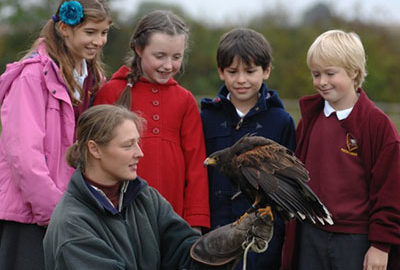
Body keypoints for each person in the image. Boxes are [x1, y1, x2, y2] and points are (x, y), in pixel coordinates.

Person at [43, 104, 274, 270]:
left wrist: (232, 239)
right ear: (94, 149)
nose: (139, 153)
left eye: (138, 142)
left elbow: (187, 254)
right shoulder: (71, 224)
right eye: (127, 146)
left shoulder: (145, 197)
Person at [0, 1, 111, 269]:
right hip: (29, 216)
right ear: (64, 28)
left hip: (69, 209)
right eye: (90, 32)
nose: (98, 41)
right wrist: (55, 212)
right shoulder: (32, 77)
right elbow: (25, 156)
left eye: (104, 32)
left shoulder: (92, 79)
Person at [281, 29, 400, 270]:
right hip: (310, 233)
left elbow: (390, 189)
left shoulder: (376, 125)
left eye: (330, 73)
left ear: (354, 72)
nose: (321, 82)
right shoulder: (309, 120)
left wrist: (381, 245)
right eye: (316, 74)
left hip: (356, 238)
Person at [93, 10, 209, 231]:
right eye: (160, 56)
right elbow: (95, 159)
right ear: (139, 49)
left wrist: (196, 221)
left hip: (172, 219)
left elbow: (197, 166)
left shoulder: (185, 101)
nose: (168, 65)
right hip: (118, 218)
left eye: (176, 57)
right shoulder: (110, 92)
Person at [201, 28, 296, 270]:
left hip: (263, 238)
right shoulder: (206, 117)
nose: (241, 79)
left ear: (266, 71)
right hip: (215, 228)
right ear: (221, 72)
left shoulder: (281, 120)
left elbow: (289, 184)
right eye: (233, 72)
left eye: (250, 71)